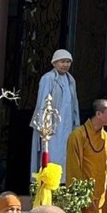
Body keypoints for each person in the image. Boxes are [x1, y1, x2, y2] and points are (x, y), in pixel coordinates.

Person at [30, 49, 80, 177]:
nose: (65, 65)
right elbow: (43, 102)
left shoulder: (70, 80)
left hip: (67, 124)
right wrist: (44, 125)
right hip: (51, 125)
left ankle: (62, 181)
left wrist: (76, 124)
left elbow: (74, 103)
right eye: (62, 62)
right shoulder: (48, 78)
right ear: (54, 63)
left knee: (65, 153)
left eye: (68, 62)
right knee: (51, 152)